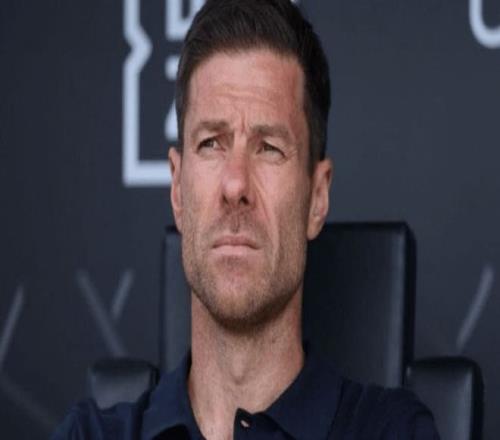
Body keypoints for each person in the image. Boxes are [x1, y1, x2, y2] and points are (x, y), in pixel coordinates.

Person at [52, 0, 439, 438]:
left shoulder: (391, 432)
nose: (235, 184)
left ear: (317, 197)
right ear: (177, 188)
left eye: (269, 147)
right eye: (211, 144)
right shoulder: (89, 434)